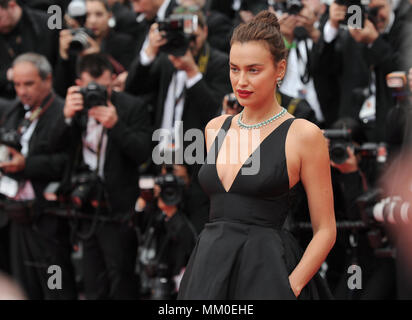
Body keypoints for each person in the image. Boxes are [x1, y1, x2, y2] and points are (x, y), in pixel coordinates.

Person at [177, 10, 336, 300]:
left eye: (253, 70)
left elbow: (326, 229)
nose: (241, 81)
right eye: (234, 68)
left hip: (267, 272)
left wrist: (293, 286)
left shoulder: (303, 134)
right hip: (207, 269)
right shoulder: (214, 128)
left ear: (280, 69)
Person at [50, 53, 152, 299]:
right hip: (85, 205)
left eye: (103, 87)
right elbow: (53, 147)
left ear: (114, 81)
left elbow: (144, 154)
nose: (96, 94)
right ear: (78, 84)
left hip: (118, 207)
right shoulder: (75, 107)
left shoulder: (131, 106)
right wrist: (65, 117)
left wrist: (116, 126)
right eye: (89, 88)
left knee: (121, 276)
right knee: (92, 276)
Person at [0, 53, 77, 299]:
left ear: (47, 80)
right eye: (17, 84)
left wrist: (26, 165)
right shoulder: (13, 111)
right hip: (14, 213)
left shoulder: (62, 112)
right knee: (24, 286)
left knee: (55, 288)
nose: (22, 91)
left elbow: (65, 162)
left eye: (29, 84)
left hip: (48, 218)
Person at [0, 0, 59, 99]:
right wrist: (6, 75)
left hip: (47, 97)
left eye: (0, 18)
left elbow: (59, 65)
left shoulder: (46, 24)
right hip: (6, 101)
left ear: (12, 5)